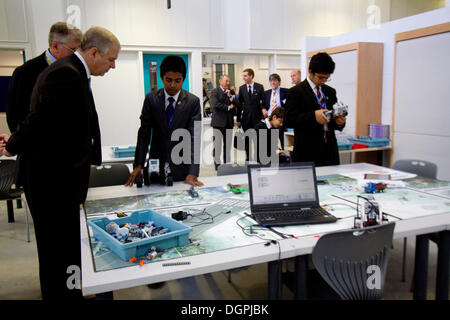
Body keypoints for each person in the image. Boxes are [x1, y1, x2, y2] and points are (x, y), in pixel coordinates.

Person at [0, 26, 120, 300]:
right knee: (56, 250)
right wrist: (13, 145)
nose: (113, 66)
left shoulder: (73, 72)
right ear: (93, 52)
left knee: (64, 247)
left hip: (58, 180)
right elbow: (37, 120)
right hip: (50, 183)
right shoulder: (66, 74)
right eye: (111, 59)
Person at [126, 55, 203, 187]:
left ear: (183, 79)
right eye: (168, 80)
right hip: (156, 166)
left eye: (177, 81)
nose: (173, 85)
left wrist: (193, 171)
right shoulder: (151, 99)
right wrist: (138, 164)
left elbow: (194, 138)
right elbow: (144, 134)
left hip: (182, 169)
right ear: (162, 78)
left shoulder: (193, 102)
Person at [6, 22, 82, 133]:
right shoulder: (25, 72)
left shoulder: (76, 71)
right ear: (55, 46)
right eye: (73, 50)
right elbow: (15, 116)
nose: (77, 55)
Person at [284, 52, 346, 166]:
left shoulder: (330, 92)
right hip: (307, 152)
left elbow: (331, 121)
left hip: (329, 152)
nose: (323, 81)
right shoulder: (296, 92)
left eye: (326, 78)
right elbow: (289, 120)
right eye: (320, 77)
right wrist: (313, 116)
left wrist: (339, 123)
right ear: (310, 71)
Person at [236, 68, 265, 161]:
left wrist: (263, 115)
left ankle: (258, 158)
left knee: (258, 140)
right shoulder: (242, 88)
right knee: (247, 140)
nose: (243, 77)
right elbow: (239, 105)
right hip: (246, 119)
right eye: (243, 75)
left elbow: (263, 102)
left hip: (257, 119)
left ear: (251, 76)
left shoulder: (260, 87)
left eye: (245, 75)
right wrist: (238, 120)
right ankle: (248, 158)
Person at [210, 74, 238, 169]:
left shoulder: (231, 92)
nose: (228, 83)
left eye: (229, 81)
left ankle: (227, 165)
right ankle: (217, 166)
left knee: (228, 146)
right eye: (226, 81)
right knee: (217, 145)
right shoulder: (215, 91)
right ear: (220, 81)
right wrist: (228, 107)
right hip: (218, 123)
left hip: (229, 123)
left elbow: (236, 104)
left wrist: (230, 96)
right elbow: (215, 104)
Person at [262, 73, 288, 149]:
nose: (273, 82)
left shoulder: (286, 92)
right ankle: (273, 156)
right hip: (270, 119)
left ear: (279, 82)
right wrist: (263, 109)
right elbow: (263, 104)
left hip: (280, 120)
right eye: (271, 81)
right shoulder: (266, 93)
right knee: (271, 141)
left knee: (283, 140)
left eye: (275, 80)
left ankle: (285, 156)